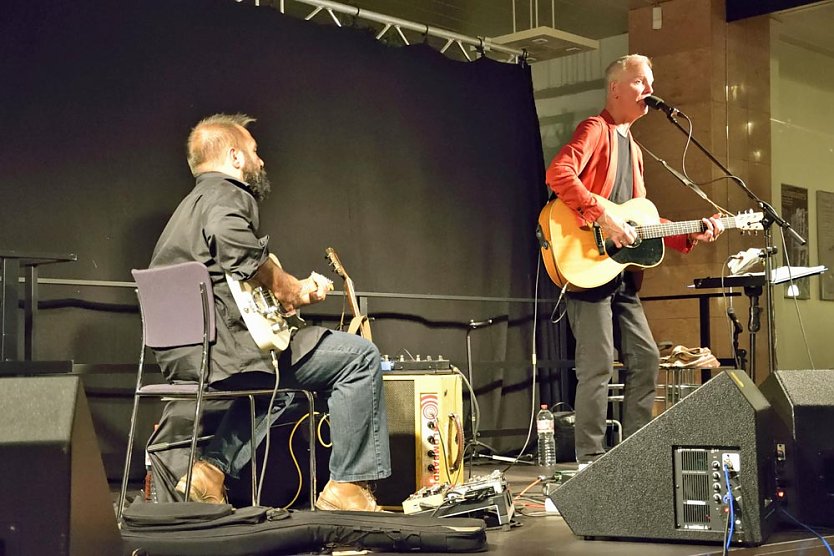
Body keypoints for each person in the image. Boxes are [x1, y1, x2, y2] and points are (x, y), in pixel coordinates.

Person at [149, 113, 390, 511]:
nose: (261, 162)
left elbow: (225, 286)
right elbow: (232, 242)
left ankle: (209, 474)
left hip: (185, 357)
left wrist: (290, 294)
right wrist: (288, 286)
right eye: (255, 152)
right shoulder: (228, 195)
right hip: (228, 358)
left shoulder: (185, 212)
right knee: (359, 358)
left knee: (287, 388)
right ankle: (344, 487)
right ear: (235, 157)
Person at [545, 54, 724, 464]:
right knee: (597, 364)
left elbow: (640, 219)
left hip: (621, 274)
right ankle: (591, 458)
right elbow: (559, 174)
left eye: (651, 81)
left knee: (645, 356)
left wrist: (689, 231)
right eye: (641, 81)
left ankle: (637, 456)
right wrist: (602, 216)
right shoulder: (595, 128)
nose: (650, 89)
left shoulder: (637, 150)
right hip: (586, 267)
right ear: (616, 88)